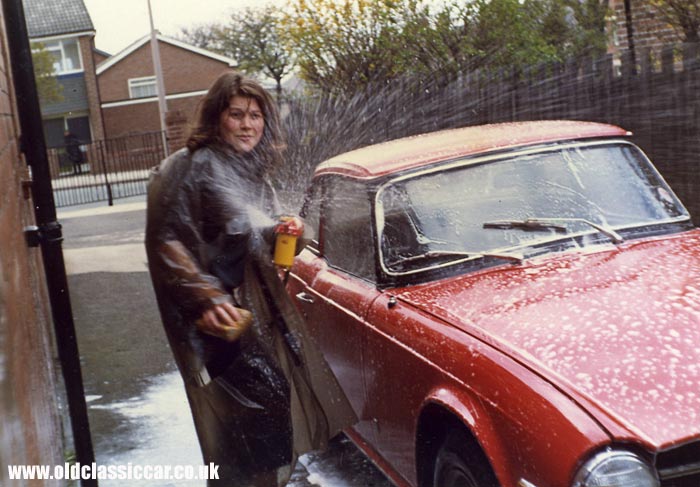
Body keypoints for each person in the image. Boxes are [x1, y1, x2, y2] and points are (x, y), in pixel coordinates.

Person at [144, 71, 356, 486]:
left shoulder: (248, 169)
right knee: (260, 405)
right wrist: (208, 298)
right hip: (212, 318)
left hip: (237, 308)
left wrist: (285, 232)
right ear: (217, 118)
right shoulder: (193, 166)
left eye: (255, 115)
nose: (247, 124)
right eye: (236, 114)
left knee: (253, 413)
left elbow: (253, 233)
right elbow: (166, 240)